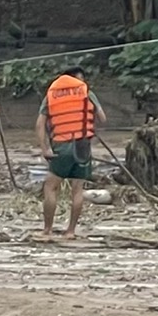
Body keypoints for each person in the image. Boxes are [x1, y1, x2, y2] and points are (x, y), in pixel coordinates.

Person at [38, 64, 101, 238]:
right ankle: (71, 231)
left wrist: (45, 148)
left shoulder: (53, 94)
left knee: (50, 187)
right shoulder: (88, 93)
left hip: (62, 145)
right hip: (83, 145)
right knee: (77, 189)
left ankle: (47, 230)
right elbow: (102, 117)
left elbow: (40, 124)